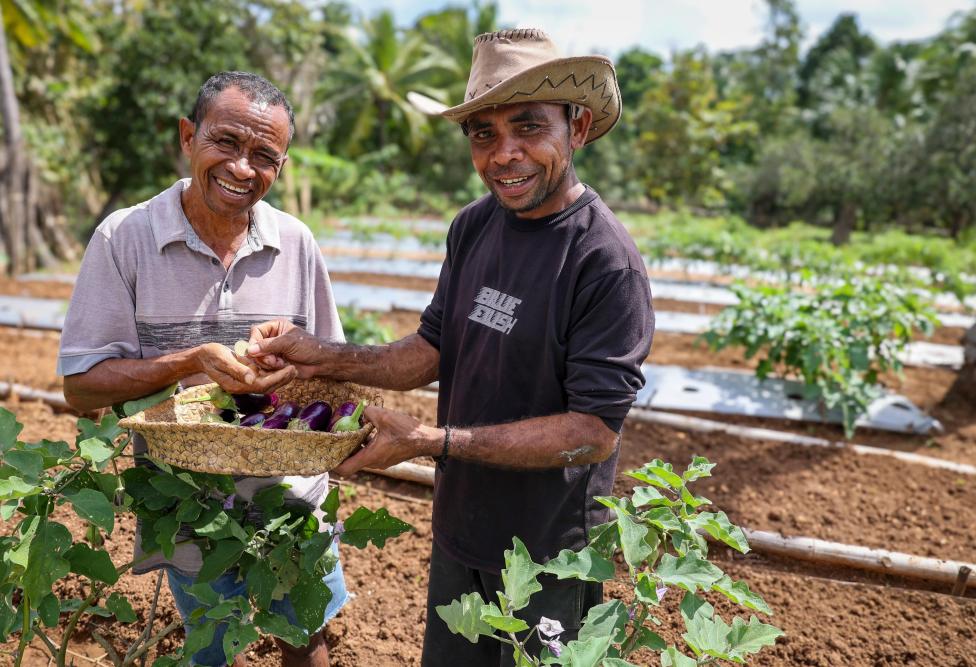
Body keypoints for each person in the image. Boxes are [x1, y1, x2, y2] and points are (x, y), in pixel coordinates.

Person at [248, 29, 655, 665]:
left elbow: (594, 432)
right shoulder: (474, 225)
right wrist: (317, 352)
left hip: (549, 552)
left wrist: (434, 442)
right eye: (484, 134)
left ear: (576, 127)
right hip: (462, 530)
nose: (505, 154)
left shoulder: (603, 260)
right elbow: (432, 349)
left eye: (529, 128)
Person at [58, 71, 347, 667]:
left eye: (264, 155)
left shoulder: (296, 242)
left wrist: (286, 368)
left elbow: (332, 380)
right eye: (227, 143)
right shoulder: (126, 238)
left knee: (307, 636)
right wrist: (193, 361)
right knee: (212, 648)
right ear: (189, 137)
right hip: (187, 508)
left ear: (281, 166)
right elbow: (82, 388)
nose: (243, 168)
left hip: (291, 500)